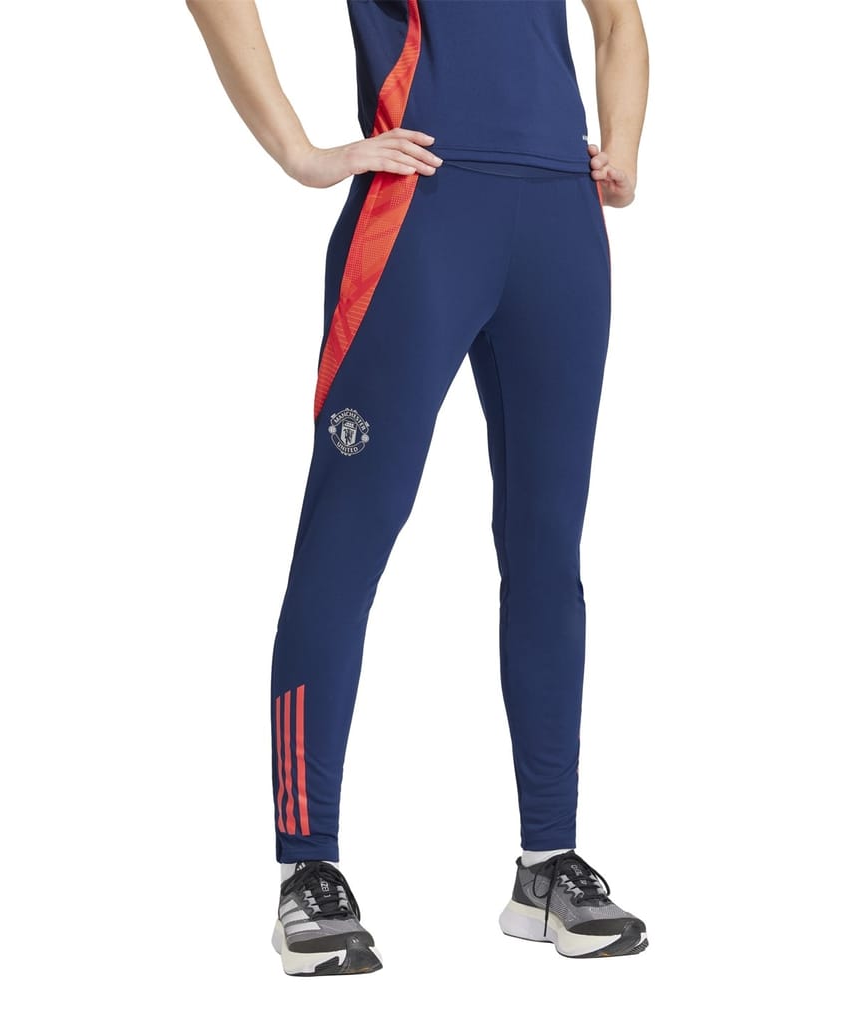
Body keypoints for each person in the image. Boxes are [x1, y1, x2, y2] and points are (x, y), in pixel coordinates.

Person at [186, 0, 649, 976]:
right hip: (422, 211)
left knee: (547, 548)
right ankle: (307, 866)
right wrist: (301, 152)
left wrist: (623, 145)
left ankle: (547, 862)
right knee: (347, 538)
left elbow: (617, 23)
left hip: (561, 219)